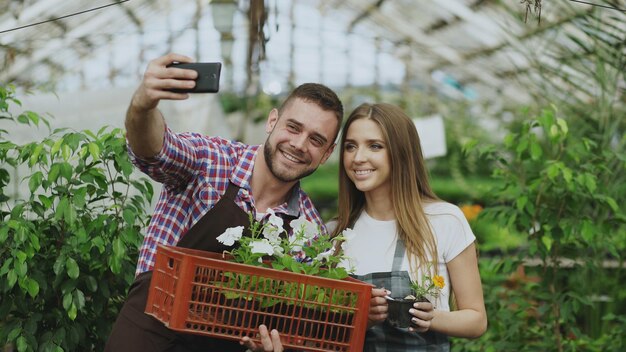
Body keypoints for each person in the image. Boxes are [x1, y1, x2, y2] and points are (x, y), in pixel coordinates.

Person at [104, 52, 346, 352]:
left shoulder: (309, 231)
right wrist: (143, 105)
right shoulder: (211, 161)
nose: (299, 144)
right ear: (272, 121)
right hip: (147, 336)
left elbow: (302, 324)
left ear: (327, 153)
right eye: (293, 127)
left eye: (316, 140)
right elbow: (156, 151)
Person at [331, 103, 488, 351]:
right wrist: (364, 318)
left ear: (401, 152)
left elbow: (476, 319)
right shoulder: (335, 234)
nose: (358, 157)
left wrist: (433, 317)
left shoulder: (444, 220)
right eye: (351, 146)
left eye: (375, 146)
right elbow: (323, 328)